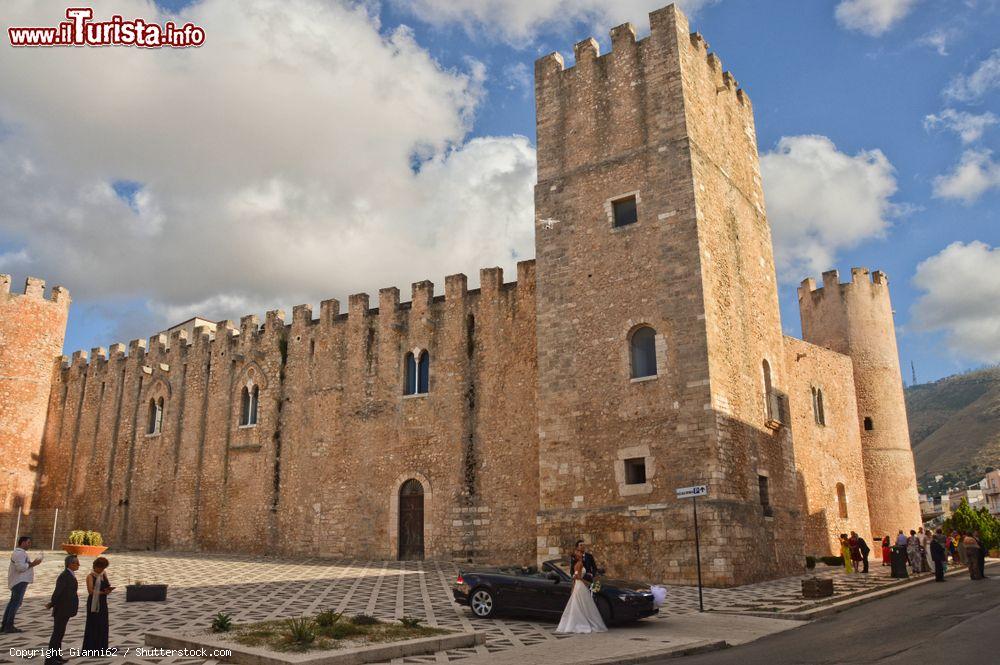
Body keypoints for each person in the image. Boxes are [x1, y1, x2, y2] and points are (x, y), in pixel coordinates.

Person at [556, 549, 607, 634]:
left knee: (578, 604)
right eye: (579, 553)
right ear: (577, 556)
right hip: (580, 586)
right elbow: (577, 576)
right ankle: (579, 622)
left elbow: (574, 577)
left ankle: (574, 622)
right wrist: (588, 583)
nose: (580, 553)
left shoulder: (577, 564)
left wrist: (573, 587)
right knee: (582, 604)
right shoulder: (579, 564)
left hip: (578, 585)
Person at [3, 535, 43, 633]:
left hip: (19, 581)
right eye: (28, 542)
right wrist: (33, 563)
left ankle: (5, 625)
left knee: (13, 603)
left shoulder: (21, 553)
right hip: (19, 581)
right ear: (23, 542)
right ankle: (8, 626)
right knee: (15, 603)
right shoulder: (20, 554)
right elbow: (20, 568)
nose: (29, 545)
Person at [45, 555, 80, 665]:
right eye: (76, 563)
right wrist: (52, 603)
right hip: (62, 609)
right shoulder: (64, 576)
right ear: (70, 564)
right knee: (57, 634)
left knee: (60, 634)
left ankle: (57, 656)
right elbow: (58, 592)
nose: (78, 565)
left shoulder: (70, 575)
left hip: (66, 608)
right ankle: (50, 659)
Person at [81, 557, 114, 651]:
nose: (102, 570)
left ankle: (102, 646)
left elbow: (107, 585)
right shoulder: (90, 576)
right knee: (94, 623)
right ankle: (92, 647)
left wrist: (108, 590)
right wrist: (102, 593)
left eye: (104, 568)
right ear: (96, 566)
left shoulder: (103, 574)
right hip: (93, 602)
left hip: (103, 601)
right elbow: (90, 591)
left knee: (103, 623)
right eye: (101, 568)